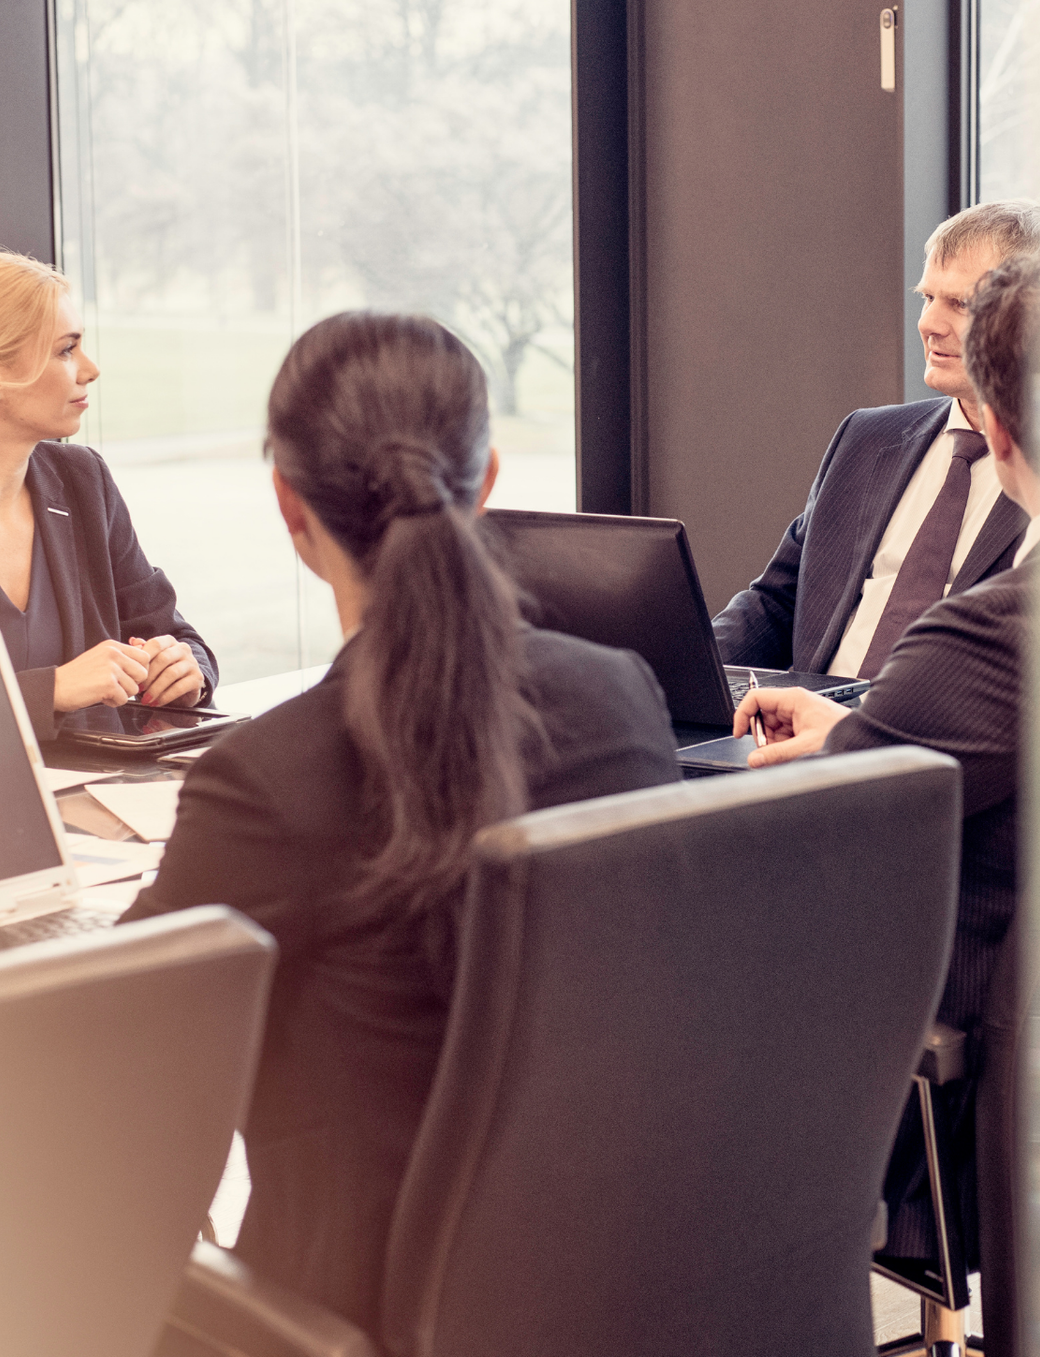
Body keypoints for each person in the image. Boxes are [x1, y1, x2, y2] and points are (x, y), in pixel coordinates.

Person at [121, 312, 682, 1330]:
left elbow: (106, 1055)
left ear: (288, 506)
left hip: (346, 1314)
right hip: (620, 1287)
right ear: (486, 479)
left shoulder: (264, 780)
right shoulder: (620, 701)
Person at [732, 252, 1040, 1267]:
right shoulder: (984, 642)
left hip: (946, 1002)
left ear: (991, 428)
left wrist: (841, 746)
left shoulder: (991, 633)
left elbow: (836, 815)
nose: (928, 320)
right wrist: (853, 731)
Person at [713, 199, 1040, 680]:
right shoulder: (866, 438)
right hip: (807, 730)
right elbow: (778, 601)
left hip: (941, 744)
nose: (929, 324)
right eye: (927, 297)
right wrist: (675, 678)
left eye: (960, 304)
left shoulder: (1030, 471)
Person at [0, 250, 216, 740]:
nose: (90, 369)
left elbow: (172, 631)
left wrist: (185, 671)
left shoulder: (82, 480)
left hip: (86, 801)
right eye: (65, 350)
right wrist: (49, 691)